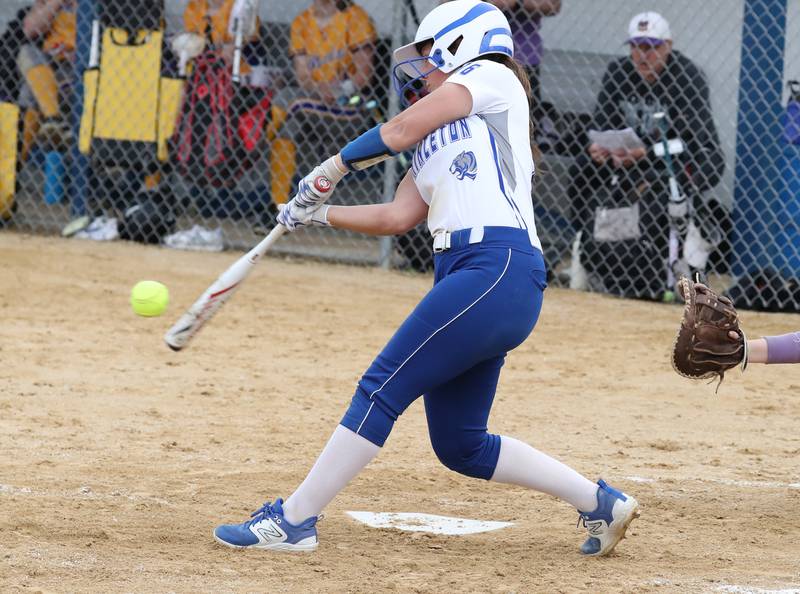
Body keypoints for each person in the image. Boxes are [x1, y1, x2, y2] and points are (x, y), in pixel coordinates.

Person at [213, 0, 639, 557]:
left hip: (495, 265)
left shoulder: (494, 81)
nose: (423, 72)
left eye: (431, 58)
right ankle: (601, 502)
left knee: (380, 388)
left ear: (460, 46)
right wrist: (317, 214)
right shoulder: (437, 135)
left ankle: (294, 520)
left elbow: (399, 127)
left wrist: (334, 167)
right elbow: (396, 216)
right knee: (460, 443)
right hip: (471, 277)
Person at [567, 11, 726, 299]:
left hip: (669, 159)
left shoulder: (687, 76)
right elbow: (601, 123)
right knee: (580, 168)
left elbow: (693, 141)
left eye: (651, 47)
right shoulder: (618, 72)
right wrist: (600, 148)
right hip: (625, 159)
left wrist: (647, 151)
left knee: (689, 168)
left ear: (668, 46)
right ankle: (586, 241)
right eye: (636, 47)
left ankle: (666, 268)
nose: (642, 56)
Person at [163, 0, 261, 252]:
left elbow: (240, 44)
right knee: (169, 111)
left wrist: (214, 48)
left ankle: (273, 205)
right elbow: (193, 48)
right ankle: (156, 195)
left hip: (237, 85)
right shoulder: (195, 6)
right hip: (199, 85)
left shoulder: (240, 4)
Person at [268, 0, 376, 206]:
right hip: (310, 101)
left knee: (288, 102)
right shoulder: (302, 21)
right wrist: (320, 89)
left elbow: (364, 76)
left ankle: (260, 141)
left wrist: (339, 89)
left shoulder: (355, 16)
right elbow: (303, 77)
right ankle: (278, 206)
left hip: (349, 106)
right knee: (288, 127)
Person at [16, 0, 76, 155]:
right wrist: (56, 3)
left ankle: (12, 170)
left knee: (28, 93)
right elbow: (29, 30)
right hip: (50, 65)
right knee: (27, 52)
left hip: (78, 70)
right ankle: (53, 118)